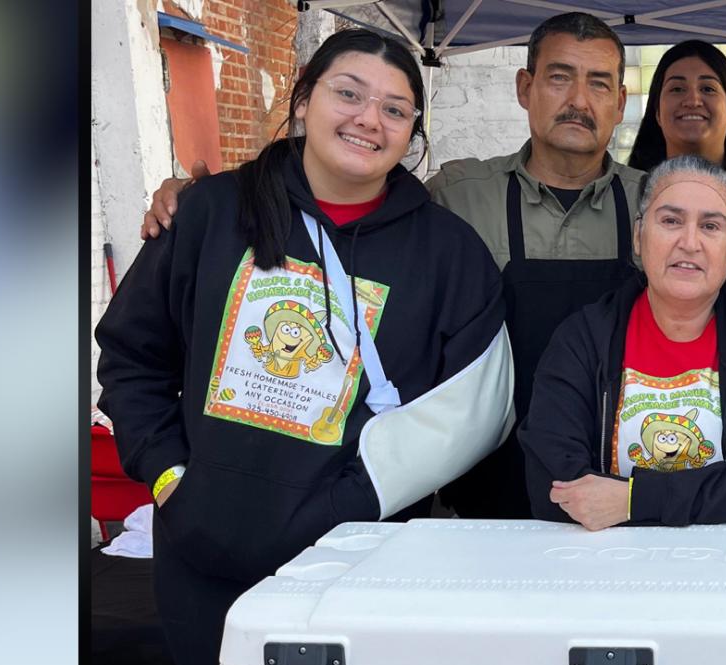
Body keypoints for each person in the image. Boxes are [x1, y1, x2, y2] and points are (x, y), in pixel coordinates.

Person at [96, 29, 514, 665]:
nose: (369, 117)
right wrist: (168, 482)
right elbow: (133, 355)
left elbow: (481, 401)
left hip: (354, 570)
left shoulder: (441, 248)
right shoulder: (208, 215)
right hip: (208, 561)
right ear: (302, 101)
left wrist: (353, 502)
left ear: (413, 133)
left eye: (394, 107)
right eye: (349, 93)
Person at [139, 12, 642, 519]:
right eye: (559, 77)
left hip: (622, 473)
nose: (579, 100)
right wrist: (193, 199)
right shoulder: (453, 197)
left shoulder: (663, 207)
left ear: (620, 102)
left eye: (598, 83)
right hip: (485, 481)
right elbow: (351, 212)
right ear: (524, 87)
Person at [520, 154, 726, 529]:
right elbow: (555, 488)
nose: (689, 242)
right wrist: (723, 497)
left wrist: (635, 500)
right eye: (670, 221)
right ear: (639, 236)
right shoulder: (582, 339)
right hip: (609, 568)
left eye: (711, 226)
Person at [628, 39, 726, 182]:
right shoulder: (628, 196)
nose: (692, 101)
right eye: (677, 89)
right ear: (657, 112)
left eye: (708, 89)